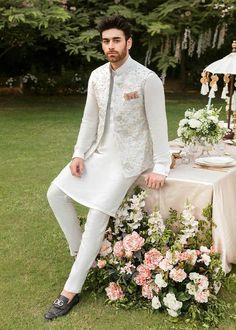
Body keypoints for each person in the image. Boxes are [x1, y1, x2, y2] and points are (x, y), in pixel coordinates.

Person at [44, 15, 171, 320]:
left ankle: (69, 292)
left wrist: (161, 166)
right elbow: (89, 120)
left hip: (129, 161)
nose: (110, 46)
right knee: (55, 193)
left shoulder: (147, 79)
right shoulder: (97, 76)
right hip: (98, 154)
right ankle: (81, 254)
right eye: (105, 41)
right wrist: (78, 154)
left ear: (129, 42)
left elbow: (159, 126)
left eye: (116, 40)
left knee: (98, 215)